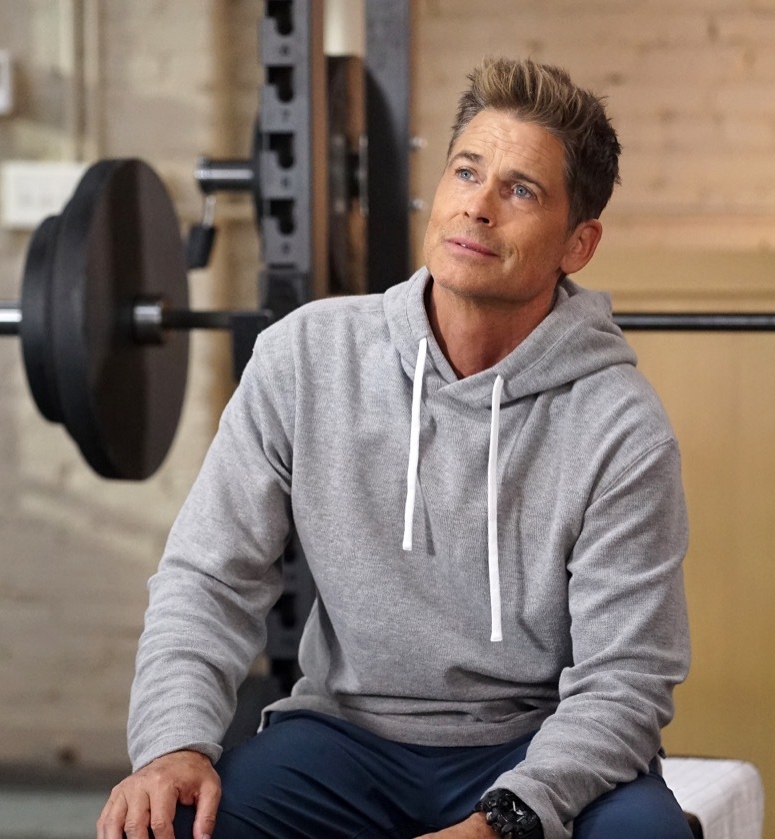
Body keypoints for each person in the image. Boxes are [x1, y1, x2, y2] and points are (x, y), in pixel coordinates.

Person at [97, 57, 692, 839]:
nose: (477, 208)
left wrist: (504, 820)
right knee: (170, 824)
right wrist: (173, 742)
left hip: (535, 742)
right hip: (346, 739)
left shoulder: (621, 426)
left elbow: (626, 679)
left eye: (520, 190)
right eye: (466, 172)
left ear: (578, 244)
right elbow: (208, 577)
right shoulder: (304, 358)